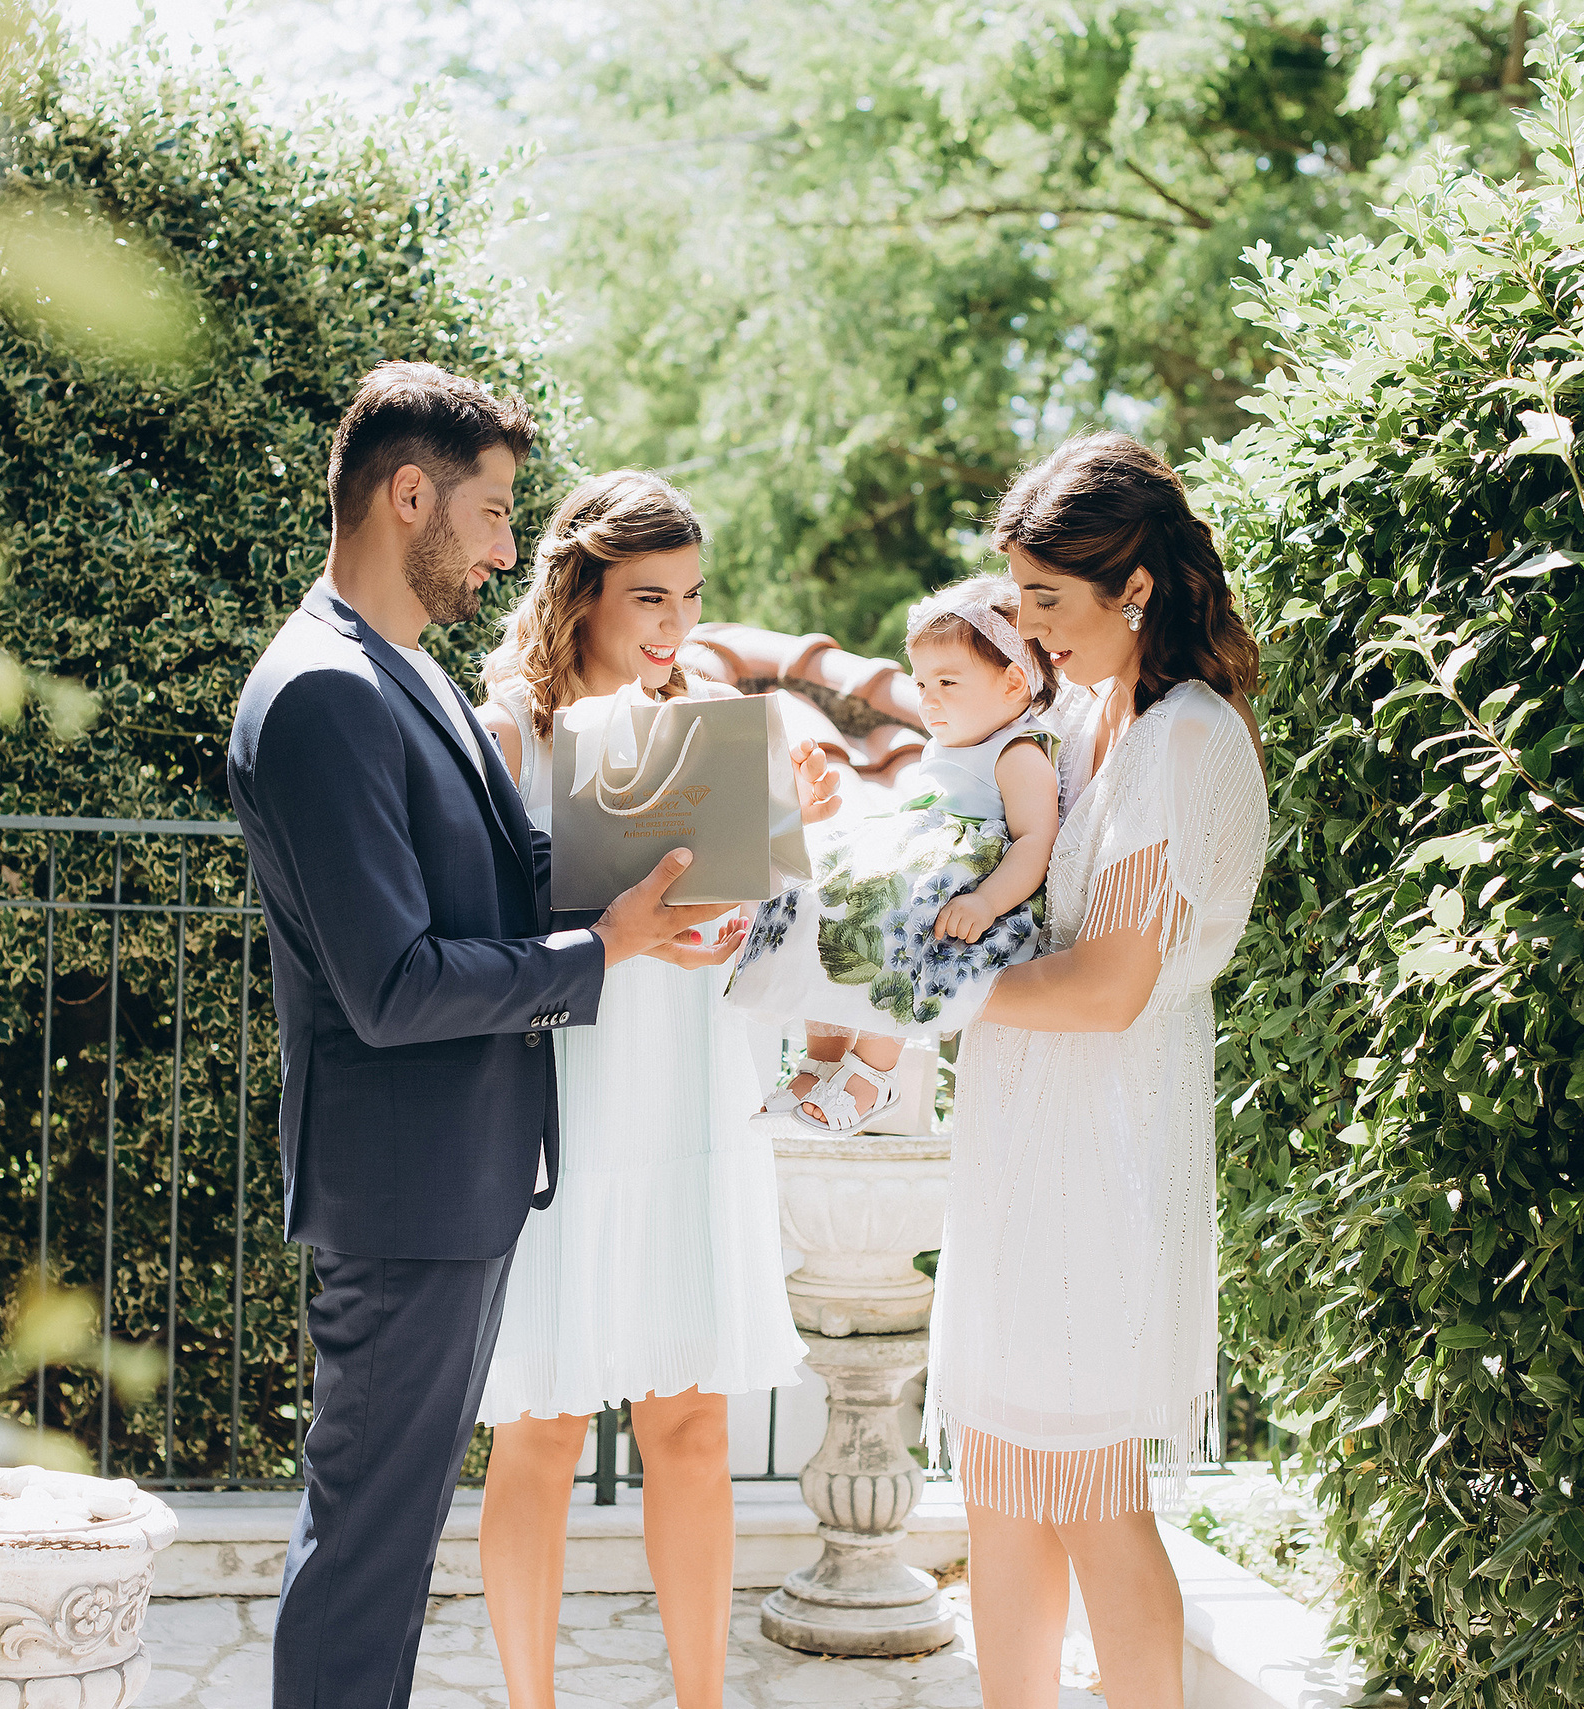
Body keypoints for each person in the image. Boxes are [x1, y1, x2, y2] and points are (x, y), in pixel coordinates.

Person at [227, 364, 840, 1709]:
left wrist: (693, 881)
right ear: (408, 495)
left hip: (464, 1176)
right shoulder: (331, 689)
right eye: (497, 511)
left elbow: (512, 873)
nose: (510, 544)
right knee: (363, 1561)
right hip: (407, 1195)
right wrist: (604, 949)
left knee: (376, 1561)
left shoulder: (406, 679)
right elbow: (389, 987)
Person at [925, 432, 1267, 1709]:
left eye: (1048, 601)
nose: (1027, 627)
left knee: (1087, 1489)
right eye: (1018, 596)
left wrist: (934, 992)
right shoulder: (1082, 713)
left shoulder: (1182, 738)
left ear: (1134, 587)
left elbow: (1113, 982)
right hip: (1032, 1135)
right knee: (1002, 1479)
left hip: (1107, 1148)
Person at [468, 471, 810, 1709]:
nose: (673, 624)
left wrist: (779, 841)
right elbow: (483, 920)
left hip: (695, 1091)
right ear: (582, 590)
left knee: (695, 1429)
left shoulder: (710, 724)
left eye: (691, 596)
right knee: (540, 1429)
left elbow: (745, 916)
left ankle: (703, 1700)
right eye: (647, 596)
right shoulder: (508, 728)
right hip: (569, 1096)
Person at [723, 574, 1062, 1132]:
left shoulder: (1017, 751)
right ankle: (822, 1057)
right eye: (922, 684)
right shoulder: (947, 743)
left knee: (897, 919)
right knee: (820, 890)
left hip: (956, 886)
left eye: (947, 682)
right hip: (918, 857)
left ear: (1013, 683)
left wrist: (985, 901)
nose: (927, 701)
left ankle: (874, 1071)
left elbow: (1035, 841)